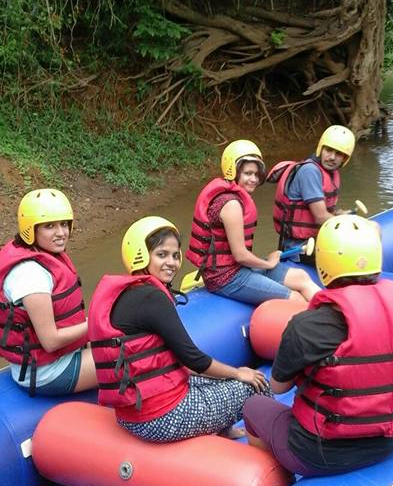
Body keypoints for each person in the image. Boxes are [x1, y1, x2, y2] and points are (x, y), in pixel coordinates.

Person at [243, 215, 393, 477]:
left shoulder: (306, 325)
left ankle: (281, 483)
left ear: (323, 262)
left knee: (253, 406)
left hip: (320, 453)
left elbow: (278, 387)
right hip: (391, 440)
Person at [88, 216, 269, 442]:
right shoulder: (152, 298)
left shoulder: (127, 293)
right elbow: (194, 360)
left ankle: (224, 429)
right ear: (141, 256)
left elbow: (179, 363)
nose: (172, 262)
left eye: (175, 255)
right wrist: (239, 373)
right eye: (161, 254)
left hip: (130, 414)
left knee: (219, 379)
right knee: (258, 385)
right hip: (161, 419)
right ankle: (266, 463)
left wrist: (226, 377)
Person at [186, 139, 319, 306]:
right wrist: (268, 263)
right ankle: (319, 326)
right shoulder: (231, 205)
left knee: (301, 277)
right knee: (295, 298)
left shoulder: (236, 199)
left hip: (239, 268)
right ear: (233, 172)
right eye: (248, 173)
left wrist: (269, 261)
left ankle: (334, 314)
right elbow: (240, 255)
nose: (254, 179)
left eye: (256, 174)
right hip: (224, 277)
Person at [0, 188, 96, 396]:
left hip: (61, 356)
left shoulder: (39, 253)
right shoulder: (30, 275)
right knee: (135, 356)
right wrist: (94, 324)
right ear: (31, 229)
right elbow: (50, 341)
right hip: (47, 373)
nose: (61, 233)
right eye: (49, 226)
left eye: (64, 224)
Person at [268, 124, 356, 252]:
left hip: (316, 238)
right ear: (321, 149)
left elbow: (324, 212)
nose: (332, 157)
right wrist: (351, 225)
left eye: (339, 154)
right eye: (329, 150)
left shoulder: (331, 172)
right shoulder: (310, 171)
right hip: (298, 246)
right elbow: (320, 217)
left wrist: (339, 215)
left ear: (345, 158)